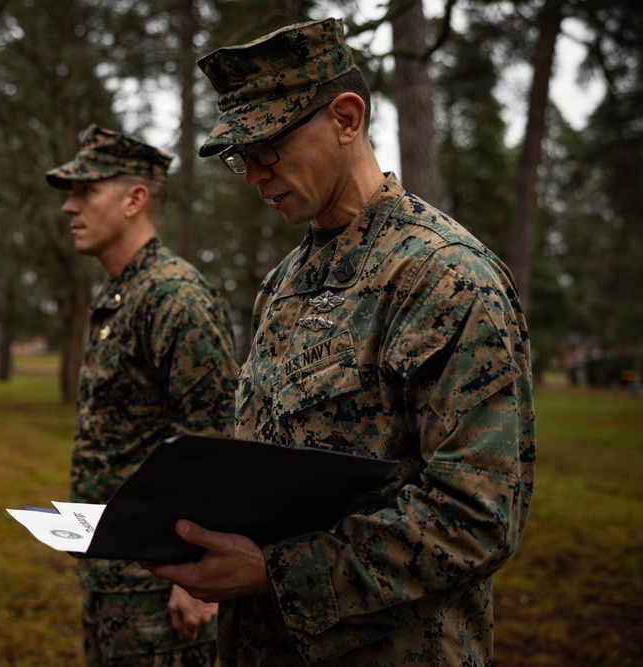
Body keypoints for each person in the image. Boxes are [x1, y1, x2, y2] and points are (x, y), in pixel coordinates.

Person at [144, 18, 535, 666]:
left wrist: (275, 571)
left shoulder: (444, 277)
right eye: (243, 157)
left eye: (267, 148)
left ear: (347, 118)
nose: (254, 175)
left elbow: (478, 514)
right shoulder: (286, 283)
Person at [46, 125, 239, 666]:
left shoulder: (175, 298)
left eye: (85, 191)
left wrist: (198, 581)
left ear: (134, 200)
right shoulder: (120, 293)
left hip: (163, 587)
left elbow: (218, 443)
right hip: (113, 573)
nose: (69, 207)